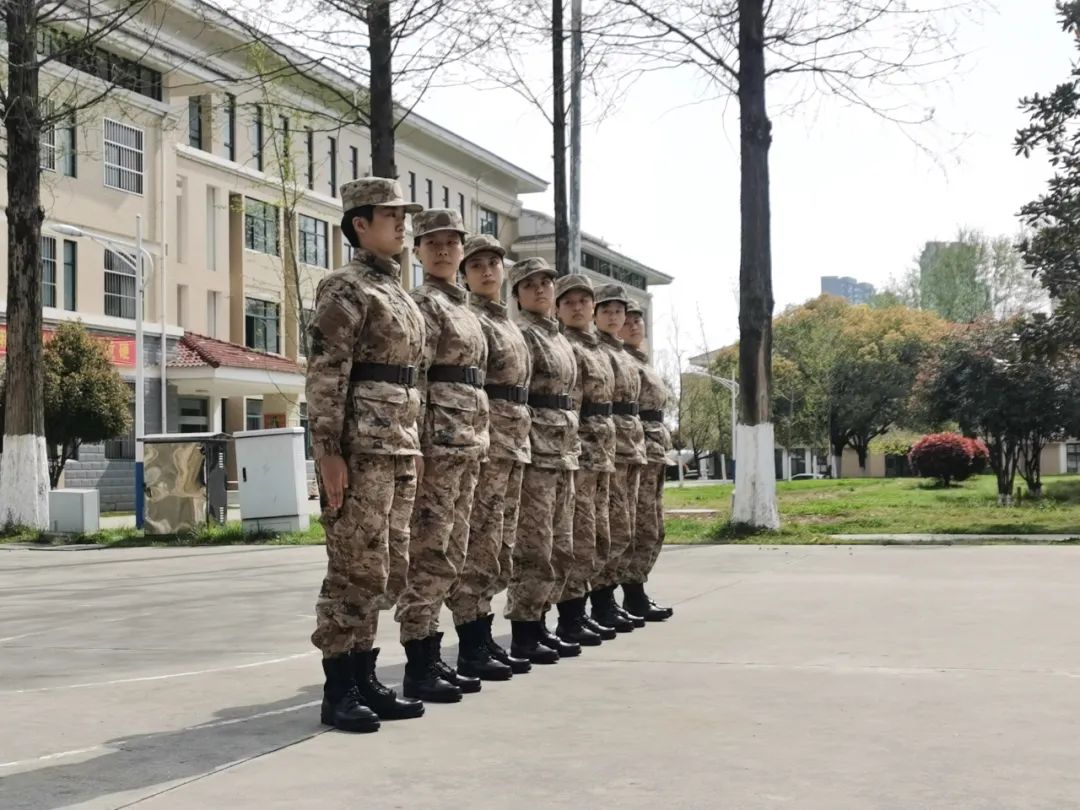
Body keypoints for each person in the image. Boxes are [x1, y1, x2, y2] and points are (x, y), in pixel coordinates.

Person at [306, 176, 427, 733]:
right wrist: (328, 449)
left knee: (386, 567)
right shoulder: (345, 287)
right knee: (353, 568)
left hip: (399, 445)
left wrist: (416, 443)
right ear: (360, 223)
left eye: (404, 216)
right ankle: (339, 689)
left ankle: (366, 676)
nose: (403, 223)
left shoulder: (399, 290)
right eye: (391, 215)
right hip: (361, 447)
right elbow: (328, 371)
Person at [395, 208, 488, 704]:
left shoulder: (466, 309)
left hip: (469, 442)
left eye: (452, 243)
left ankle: (437, 655)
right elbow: (421, 378)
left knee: (453, 551)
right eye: (433, 244)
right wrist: (421, 443)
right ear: (418, 252)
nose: (445, 250)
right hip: (439, 442)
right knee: (429, 552)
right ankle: (419, 662)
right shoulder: (424, 305)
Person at [446, 234, 532, 680]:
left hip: (511, 443)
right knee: (476, 546)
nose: (486, 271)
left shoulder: (507, 324)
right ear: (464, 272)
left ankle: (483, 639)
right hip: (480, 441)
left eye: (493, 263)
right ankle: (471, 646)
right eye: (476, 264)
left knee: (498, 545)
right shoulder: (469, 318)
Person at [504, 258, 581, 664]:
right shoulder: (522, 335)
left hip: (564, 452)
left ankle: (542, 623)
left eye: (545, 283)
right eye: (529, 285)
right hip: (535, 452)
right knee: (533, 547)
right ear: (516, 294)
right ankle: (524, 632)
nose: (539, 290)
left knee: (559, 546)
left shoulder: (560, 340)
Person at [552, 273, 624, 644]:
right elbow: (571, 405)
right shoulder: (565, 345)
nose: (577, 307)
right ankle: (569, 617)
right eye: (569, 302)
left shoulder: (599, 349)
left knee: (596, 537)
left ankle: (583, 611)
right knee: (575, 538)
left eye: (583, 301)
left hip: (601, 453)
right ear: (558, 308)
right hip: (577, 453)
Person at [617, 301, 675, 621]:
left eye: (638, 319)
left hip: (654, 449)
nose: (634, 325)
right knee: (633, 527)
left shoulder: (643, 361)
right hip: (633, 448)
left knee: (651, 528)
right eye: (627, 320)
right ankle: (627, 597)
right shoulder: (621, 361)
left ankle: (636, 592)